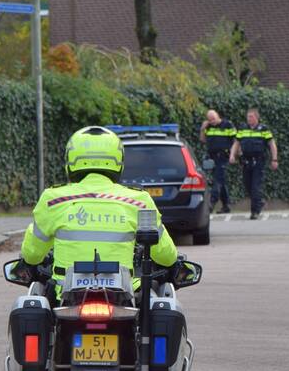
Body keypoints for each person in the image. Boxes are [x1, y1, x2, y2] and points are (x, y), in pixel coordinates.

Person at [16, 126, 178, 299]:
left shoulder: (53, 199)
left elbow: (32, 255)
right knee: (156, 302)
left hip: (64, 296)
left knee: (37, 300)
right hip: (124, 296)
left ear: (70, 160)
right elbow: (166, 257)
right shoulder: (139, 201)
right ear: (118, 161)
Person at [230, 108, 278, 220]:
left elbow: (272, 144)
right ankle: (259, 202)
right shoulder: (242, 129)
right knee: (248, 185)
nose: (249, 119)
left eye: (251, 117)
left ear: (257, 118)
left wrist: (274, 159)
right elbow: (236, 143)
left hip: (259, 161)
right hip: (246, 161)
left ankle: (254, 211)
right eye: (248, 117)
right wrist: (232, 155)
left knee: (255, 186)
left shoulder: (263, 129)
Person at [199, 109, 236, 213]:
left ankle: (211, 203)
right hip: (212, 157)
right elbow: (202, 140)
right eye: (210, 120)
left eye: (213, 119)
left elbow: (236, 141)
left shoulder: (228, 125)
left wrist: (233, 154)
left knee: (217, 180)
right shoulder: (208, 127)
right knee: (221, 181)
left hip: (223, 157)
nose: (212, 121)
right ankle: (226, 205)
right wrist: (202, 129)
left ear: (218, 116)